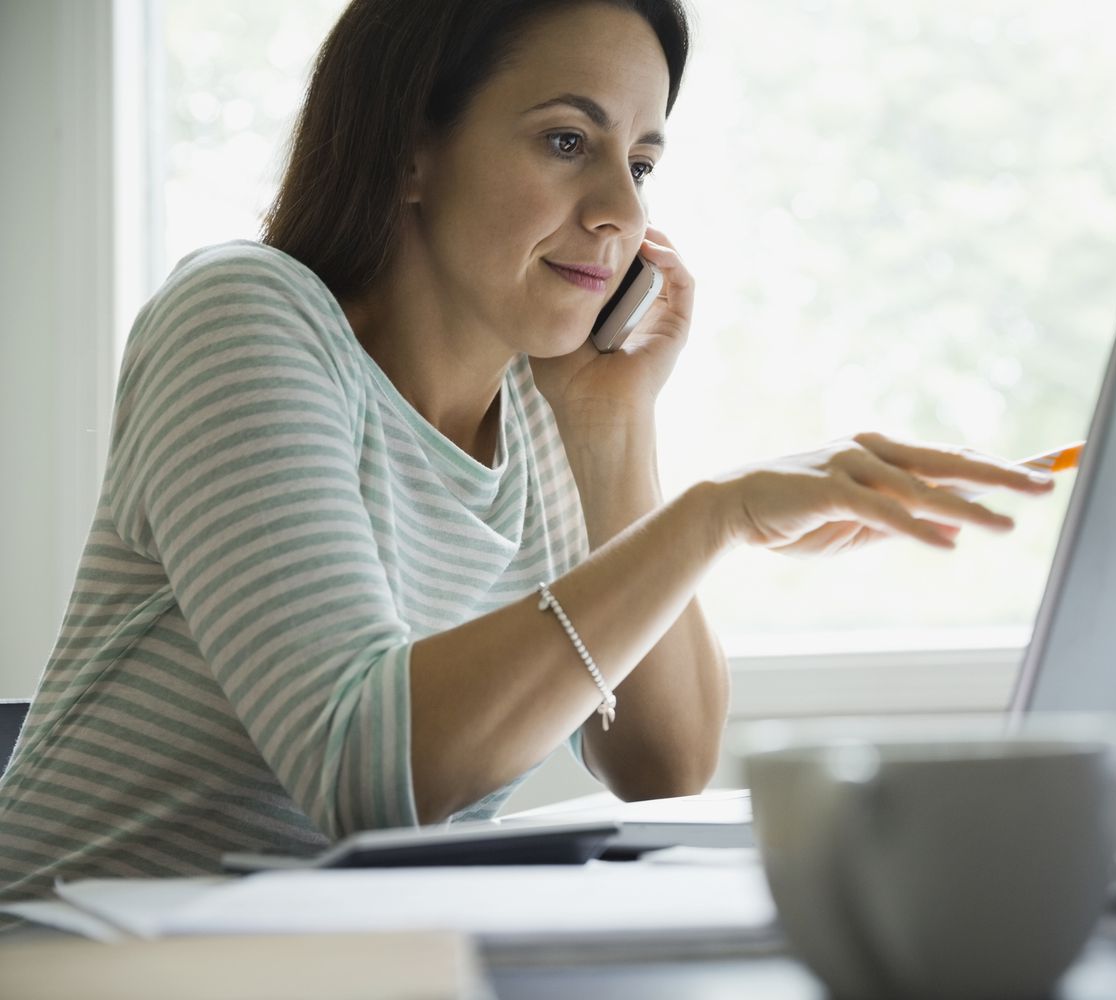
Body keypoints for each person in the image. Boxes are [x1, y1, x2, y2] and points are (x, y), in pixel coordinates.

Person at [0, 0, 1051, 906]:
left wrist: (613, 430)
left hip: (324, 958)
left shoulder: (545, 407)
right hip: (69, 959)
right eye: (565, 142)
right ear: (409, 146)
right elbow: (372, 770)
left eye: (641, 161)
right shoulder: (242, 318)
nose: (623, 211)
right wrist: (713, 515)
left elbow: (665, 766)